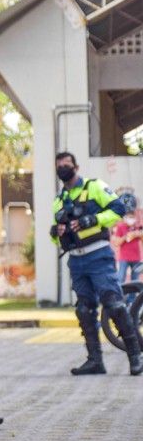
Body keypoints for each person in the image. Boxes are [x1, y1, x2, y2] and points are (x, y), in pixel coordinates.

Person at [51, 153, 142, 376]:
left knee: (113, 304)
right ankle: (95, 361)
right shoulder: (59, 200)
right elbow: (58, 236)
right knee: (84, 309)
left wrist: (94, 219)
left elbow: (118, 209)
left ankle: (135, 356)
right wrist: (55, 232)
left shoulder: (94, 187)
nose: (63, 169)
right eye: (59, 166)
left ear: (76, 166)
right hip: (77, 259)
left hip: (99, 255)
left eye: (67, 165)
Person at [111, 193, 143, 282]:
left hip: (136, 258)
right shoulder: (121, 227)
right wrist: (126, 237)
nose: (131, 219)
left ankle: (133, 297)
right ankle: (120, 295)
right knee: (121, 277)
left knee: (135, 280)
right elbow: (117, 242)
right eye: (129, 217)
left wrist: (139, 234)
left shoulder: (137, 227)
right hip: (124, 258)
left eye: (132, 217)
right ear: (125, 218)